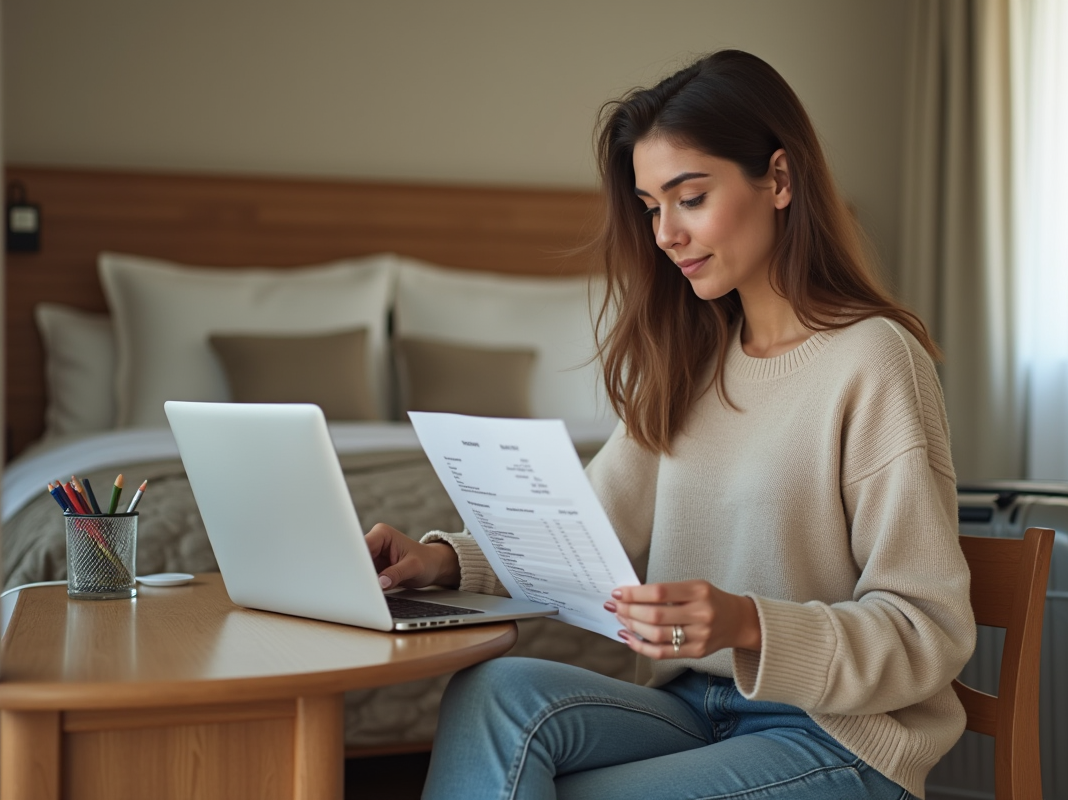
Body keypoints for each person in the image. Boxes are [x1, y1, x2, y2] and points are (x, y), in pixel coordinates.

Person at [365, 50, 975, 800]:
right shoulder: (691, 361)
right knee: (492, 692)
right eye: (652, 207)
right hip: (695, 706)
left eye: (689, 198)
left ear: (780, 180)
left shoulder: (874, 360)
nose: (665, 234)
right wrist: (442, 564)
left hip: (837, 736)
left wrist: (748, 624)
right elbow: (580, 532)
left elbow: (928, 633)